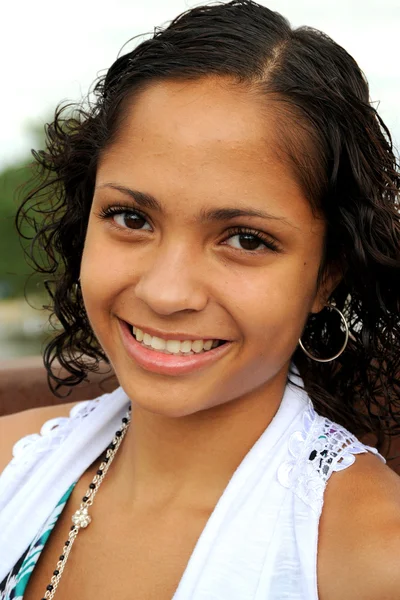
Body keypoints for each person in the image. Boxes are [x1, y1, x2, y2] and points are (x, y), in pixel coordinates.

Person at [0, 0, 400, 598]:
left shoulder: (371, 557)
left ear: (326, 276)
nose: (165, 292)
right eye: (131, 218)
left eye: (245, 239)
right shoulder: (10, 464)